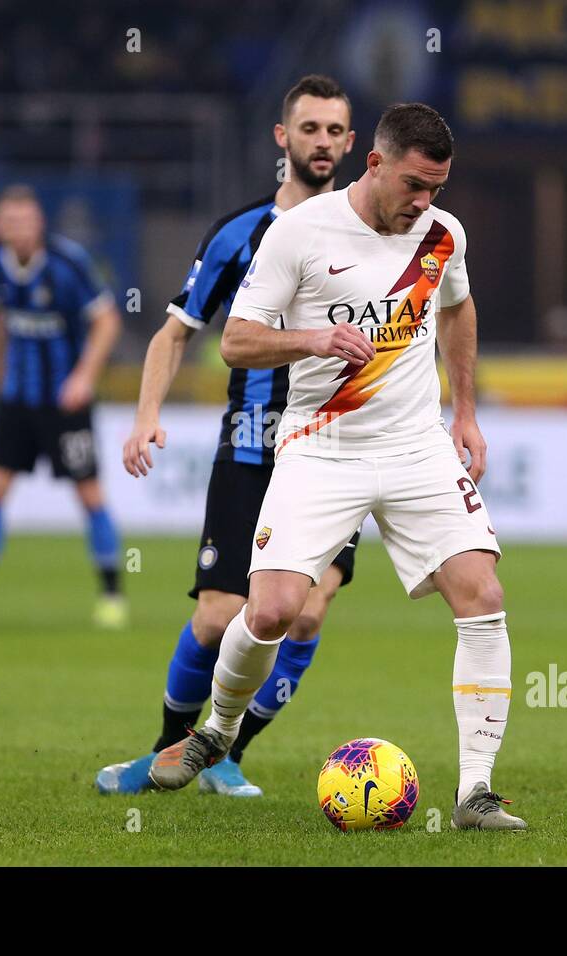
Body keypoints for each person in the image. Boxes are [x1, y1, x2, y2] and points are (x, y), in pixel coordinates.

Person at [147, 103, 527, 831]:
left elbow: (457, 309)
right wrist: (317, 339)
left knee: (482, 592)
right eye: (415, 185)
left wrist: (467, 412)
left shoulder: (443, 235)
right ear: (375, 163)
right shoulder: (299, 233)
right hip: (321, 448)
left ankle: (476, 791)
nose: (425, 203)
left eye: (437, 188)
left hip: (416, 445)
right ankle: (216, 733)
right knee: (272, 610)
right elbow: (236, 342)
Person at [95, 75, 357, 797]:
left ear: (352, 142)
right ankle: (163, 752)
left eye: (336, 131)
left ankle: (227, 750)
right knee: (220, 615)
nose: (323, 143)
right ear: (283, 137)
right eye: (310, 129)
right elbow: (175, 331)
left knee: (306, 611)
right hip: (250, 447)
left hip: (334, 453)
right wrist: (147, 415)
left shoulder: (368, 236)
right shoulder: (240, 234)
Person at [0, 185, 126, 628]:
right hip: (16, 399)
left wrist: (84, 378)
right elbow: (0, 319)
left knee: (89, 494)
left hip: (65, 402)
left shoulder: (67, 263)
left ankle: (112, 596)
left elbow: (108, 320)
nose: (16, 228)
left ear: (39, 223)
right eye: (8, 221)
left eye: (25, 220)